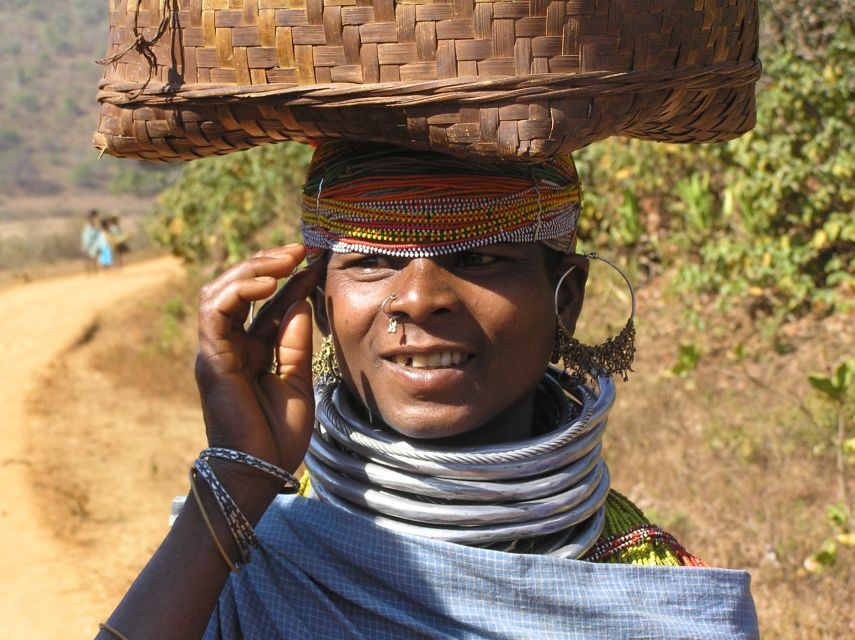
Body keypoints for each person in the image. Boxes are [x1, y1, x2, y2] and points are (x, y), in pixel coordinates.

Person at [96, 142, 758, 640]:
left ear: (568, 299)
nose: (417, 299)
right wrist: (240, 472)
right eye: (372, 261)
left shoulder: (651, 593)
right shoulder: (241, 556)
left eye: (478, 258)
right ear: (320, 306)